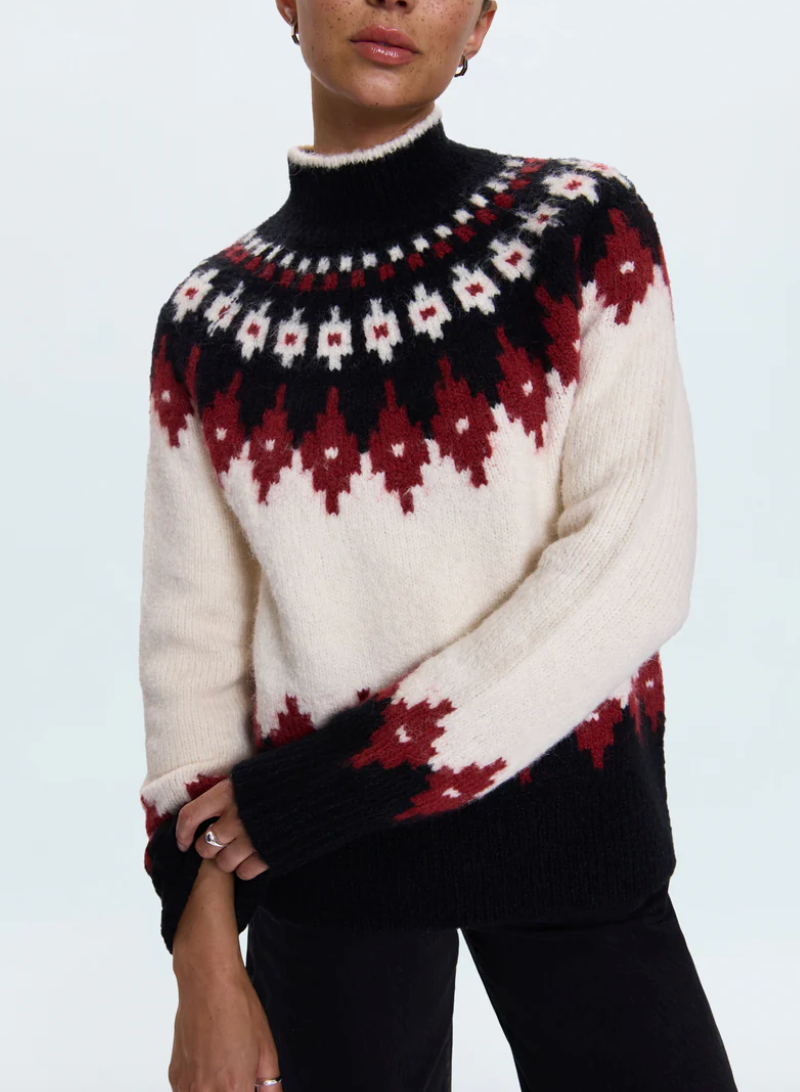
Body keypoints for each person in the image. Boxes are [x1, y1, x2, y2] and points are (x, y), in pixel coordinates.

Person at [137, 1, 740, 1089]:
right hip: (322, 883)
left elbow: (631, 570)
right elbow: (193, 662)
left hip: (567, 839)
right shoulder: (210, 323)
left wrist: (342, 782)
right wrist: (200, 955)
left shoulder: (580, 229)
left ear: (481, 22)